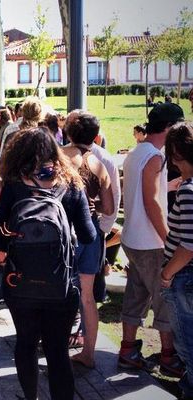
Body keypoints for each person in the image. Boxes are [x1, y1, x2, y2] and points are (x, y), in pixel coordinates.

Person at [0, 127, 96, 400]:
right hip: (61, 286)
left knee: (26, 344)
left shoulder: (14, 186)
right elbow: (89, 235)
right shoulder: (72, 185)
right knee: (57, 352)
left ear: (17, 155)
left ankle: (30, 397)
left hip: (20, 284)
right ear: (55, 152)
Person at [120, 102, 185, 376]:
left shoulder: (138, 151)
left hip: (132, 238)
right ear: (169, 128)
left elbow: (144, 190)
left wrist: (169, 185)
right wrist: (168, 240)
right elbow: (151, 202)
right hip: (149, 242)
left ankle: (128, 350)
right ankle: (169, 357)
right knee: (164, 301)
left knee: (135, 295)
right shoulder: (155, 157)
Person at [62, 111, 115, 369]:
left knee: (59, 292)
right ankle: (89, 353)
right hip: (91, 232)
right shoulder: (99, 164)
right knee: (87, 296)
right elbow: (108, 207)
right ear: (95, 136)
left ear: (68, 132)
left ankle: (57, 349)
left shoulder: (60, 157)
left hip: (64, 231)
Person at [161, 122, 193, 400]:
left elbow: (188, 245)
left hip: (183, 276)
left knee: (186, 344)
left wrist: (167, 274)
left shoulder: (188, 190)